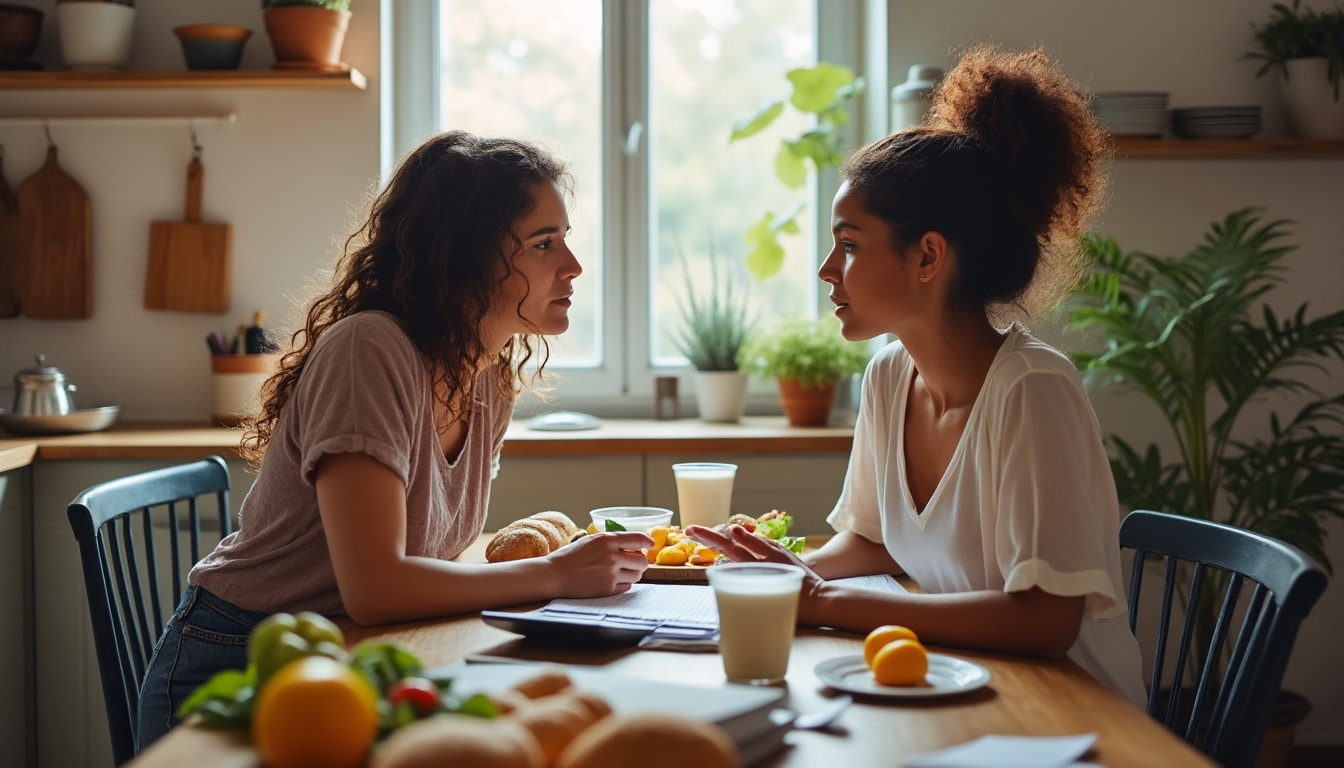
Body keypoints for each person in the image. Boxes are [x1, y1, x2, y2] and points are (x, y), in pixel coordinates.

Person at [136, 131, 653, 750]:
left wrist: (556, 571)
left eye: (565, 239)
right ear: (465, 255)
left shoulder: (487, 375)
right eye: (544, 244)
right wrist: (554, 574)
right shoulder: (369, 350)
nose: (572, 266)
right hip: (242, 658)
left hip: (353, 655)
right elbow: (376, 589)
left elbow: (411, 573)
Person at [686, 46, 1147, 707]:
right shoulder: (888, 376)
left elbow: (1045, 622)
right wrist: (782, 577)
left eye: (849, 244)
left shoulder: (1031, 390)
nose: (826, 270)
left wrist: (824, 602)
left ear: (927, 256)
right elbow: (872, 541)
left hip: (1071, 715)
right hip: (973, 688)